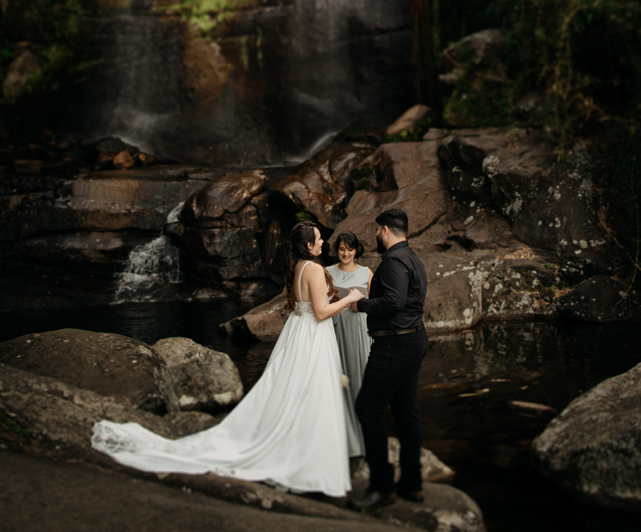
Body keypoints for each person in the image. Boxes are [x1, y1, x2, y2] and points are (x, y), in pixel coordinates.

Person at [91, 222, 364, 497]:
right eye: (318, 239)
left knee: (296, 391)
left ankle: (301, 446)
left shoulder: (300, 267)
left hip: (299, 332)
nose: (322, 242)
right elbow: (320, 312)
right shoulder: (315, 268)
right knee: (312, 392)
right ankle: (306, 456)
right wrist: (350, 296)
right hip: (312, 335)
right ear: (308, 245)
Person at [347, 208, 428, 510]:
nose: (375, 236)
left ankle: (382, 487)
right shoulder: (413, 258)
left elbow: (393, 301)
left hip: (395, 344)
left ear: (383, 230)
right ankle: (412, 483)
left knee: (367, 408)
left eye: (375, 231)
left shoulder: (393, 261)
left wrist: (362, 305)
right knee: (406, 410)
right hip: (414, 338)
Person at [327, 231, 373, 457]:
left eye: (350, 249)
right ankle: (339, 437)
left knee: (361, 377)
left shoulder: (366, 272)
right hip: (335, 328)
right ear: (337, 250)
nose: (345, 253)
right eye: (342, 249)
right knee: (337, 379)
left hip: (359, 329)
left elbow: (374, 303)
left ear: (357, 250)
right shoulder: (327, 272)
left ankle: (364, 438)